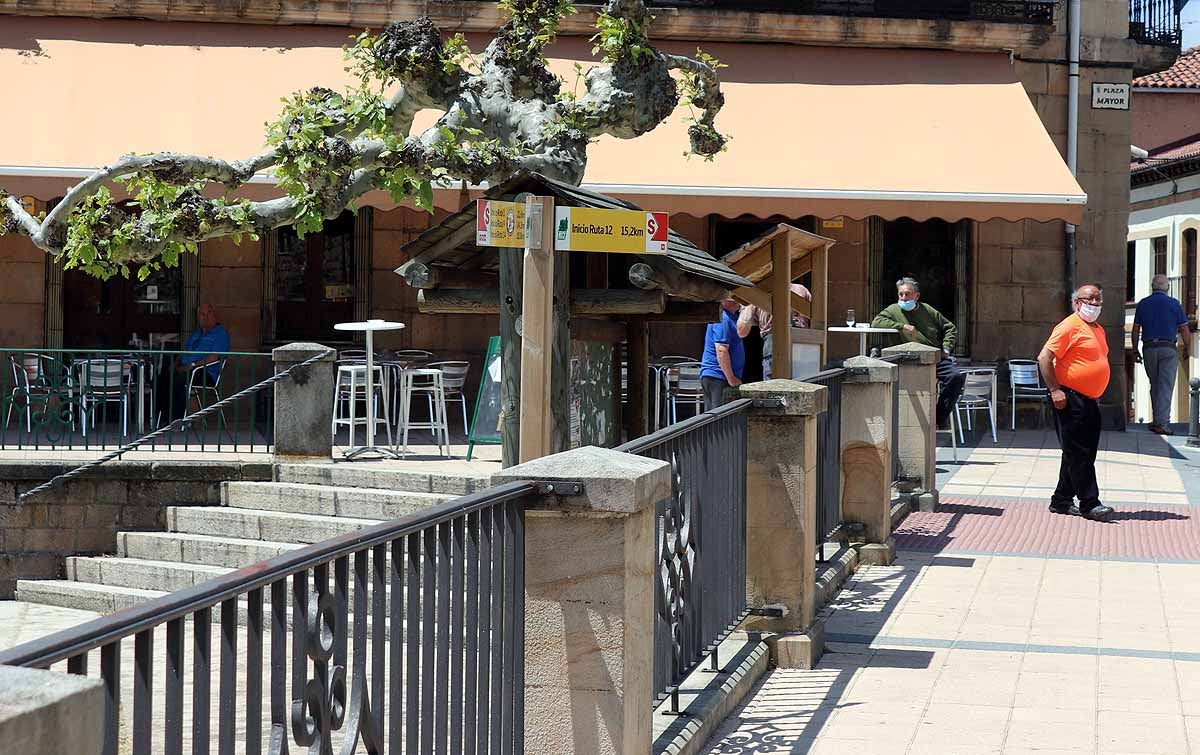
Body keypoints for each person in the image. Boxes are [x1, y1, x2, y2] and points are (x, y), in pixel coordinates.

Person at [1037, 284, 1114, 522]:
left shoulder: (1098, 329)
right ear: (1077, 302)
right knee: (1079, 452)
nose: (1094, 303)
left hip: (1089, 399)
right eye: (1089, 299)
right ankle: (1090, 502)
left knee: (1080, 451)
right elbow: (1044, 357)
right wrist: (1055, 390)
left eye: (1098, 299)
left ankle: (1061, 500)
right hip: (1069, 397)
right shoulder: (1069, 326)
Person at [871, 277, 965, 427]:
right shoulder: (893, 310)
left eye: (907, 294)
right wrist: (901, 326)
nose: (903, 298)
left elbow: (950, 328)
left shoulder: (927, 310)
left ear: (916, 296)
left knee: (956, 377)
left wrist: (946, 347)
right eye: (900, 294)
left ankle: (939, 417)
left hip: (932, 356)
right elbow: (876, 322)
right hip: (905, 359)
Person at [1132, 274, 1192, 435]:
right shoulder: (1174, 304)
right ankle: (1162, 424)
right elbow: (1185, 328)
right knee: (1165, 386)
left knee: (1155, 384)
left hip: (1149, 347)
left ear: (1152, 287)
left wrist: (1134, 349)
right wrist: (1188, 347)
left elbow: (1136, 328)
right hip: (1168, 347)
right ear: (1167, 287)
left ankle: (1157, 420)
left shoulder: (1143, 304)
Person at [157, 303, 231, 423]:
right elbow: (185, 352)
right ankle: (162, 417)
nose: (206, 317)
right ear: (198, 317)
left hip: (205, 372)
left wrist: (191, 366)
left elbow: (214, 357)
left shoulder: (221, 334)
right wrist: (175, 365)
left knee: (180, 379)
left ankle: (177, 419)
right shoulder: (196, 333)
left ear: (215, 315)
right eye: (202, 314)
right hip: (187, 368)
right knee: (162, 378)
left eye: (209, 313)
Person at [736, 283, 813, 380]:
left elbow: (742, 332)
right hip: (776, 347)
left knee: (778, 390)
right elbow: (741, 332)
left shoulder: (799, 289)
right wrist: (751, 303)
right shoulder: (755, 294)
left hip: (800, 347)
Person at [699, 298, 745, 411]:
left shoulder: (731, 317)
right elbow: (721, 350)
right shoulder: (722, 318)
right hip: (717, 376)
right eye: (731, 298)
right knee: (717, 419)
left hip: (720, 377)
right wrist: (731, 379)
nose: (736, 301)